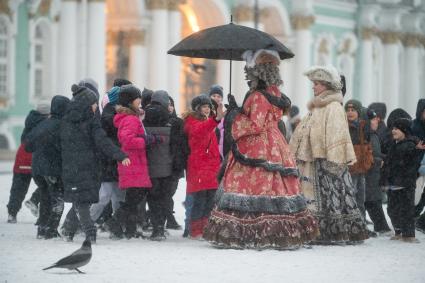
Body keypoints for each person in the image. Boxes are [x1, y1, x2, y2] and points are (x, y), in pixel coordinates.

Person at [204, 49, 318, 249]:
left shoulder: (257, 96)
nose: (248, 75)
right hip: (276, 142)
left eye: (251, 72)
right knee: (277, 186)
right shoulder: (276, 93)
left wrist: (234, 115)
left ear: (259, 72)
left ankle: (248, 230)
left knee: (250, 184)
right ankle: (280, 228)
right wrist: (239, 108)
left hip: (257, 144)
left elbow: (255, 124)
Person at [290, 65, 368, 245]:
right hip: (313, 160)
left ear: (326, 86)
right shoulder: (317, 106)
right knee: (316, 199)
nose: (313, 87)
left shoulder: (333, 106)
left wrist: (332, 158)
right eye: (313, 83)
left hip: (328, 160)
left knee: (333, 196)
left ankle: (336, 232)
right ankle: (318, 231)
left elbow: (335, 134)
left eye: (317, 83)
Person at [61, 84, 129, 242]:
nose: (94, 107)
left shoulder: (66, 120)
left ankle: (69, 230)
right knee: (83, 202)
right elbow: (103, 141)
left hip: (71, 168)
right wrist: (119, 154)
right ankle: (89, 232)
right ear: (87, 104)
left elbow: (60, 145)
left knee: (80, 201)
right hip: (88, 167)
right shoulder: (92, 122)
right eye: (93, 104)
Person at [109, 84, 162, 239]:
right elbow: (127, 140)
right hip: (133, 163)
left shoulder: (131, 118)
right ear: (130, 101)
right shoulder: (130, 119)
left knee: (133, 199)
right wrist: (147, 140)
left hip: (134, 163)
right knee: (134, 199)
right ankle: (114, 222)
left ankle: (129, 230)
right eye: (137, 98)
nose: (140, 100)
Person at [25, 95, 71, 239]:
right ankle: (51, 230)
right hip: (53, 169)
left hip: (38, 168)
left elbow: (28, 145)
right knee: (57, 201)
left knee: (45, 198)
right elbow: (66, 149)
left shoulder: (44, 123)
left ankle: (42, 229)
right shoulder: (63, 126)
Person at [90, 81, 130, 227]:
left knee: (118, 197)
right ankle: (86, 222)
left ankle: (117, 226)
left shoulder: (114, 114)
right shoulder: (109, 116)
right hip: (109, 162)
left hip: (115, 161)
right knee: (104, 196)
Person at [183, 94, 223, 239]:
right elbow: (201, 130)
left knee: (210, 200)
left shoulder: (208, 122)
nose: (207, 109)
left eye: (208, 107)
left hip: (211, 166)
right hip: (199, 166)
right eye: (204, 106)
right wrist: (216, 119)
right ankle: (195, 230)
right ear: (197, 108)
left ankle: (206, 228)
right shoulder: (192, 122)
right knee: (199, 200)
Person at [381, 117, 421, 243]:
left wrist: (416, 150)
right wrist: (384, 179)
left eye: (396, 129)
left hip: (405, 184)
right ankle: (398, 230)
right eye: (393, 128)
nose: (393, 131)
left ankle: (408, 234)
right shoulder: (393, 145)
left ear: (404, 130)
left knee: (406, 209)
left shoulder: (410, 145)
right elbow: (388, 164)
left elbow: (412, 164)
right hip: (393, 184)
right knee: (392, 208)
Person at [6, 105, 48, 223]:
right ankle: (35, 200)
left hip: (23, 155)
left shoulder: (29, 121)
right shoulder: (46, 123)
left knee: (18, 188)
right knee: (47, 184)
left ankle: (12, 213)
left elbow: (23, 139)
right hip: (38, 157)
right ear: (47, 113)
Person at [364, 109, 391, 234]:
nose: (376, 121)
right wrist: (378, 160)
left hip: (374, 174)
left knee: (373, 200)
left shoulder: (373, 134)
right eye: (373, 119)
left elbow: (376, 152)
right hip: (369, 174)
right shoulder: (366, 134)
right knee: (373, 200)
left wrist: (384, 158)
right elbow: (365, 154)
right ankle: (381, 227)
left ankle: (380, 227)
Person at [345, 99, 371, 224]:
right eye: (348, 110)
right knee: (351, 194)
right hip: (350, 166)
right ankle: (353, 223)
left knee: (361, 196)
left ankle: (361, 222)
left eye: (353, 110)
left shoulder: (363, 126)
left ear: (359, 112)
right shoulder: (344, 126)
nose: (350, 113)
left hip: (361, 166)